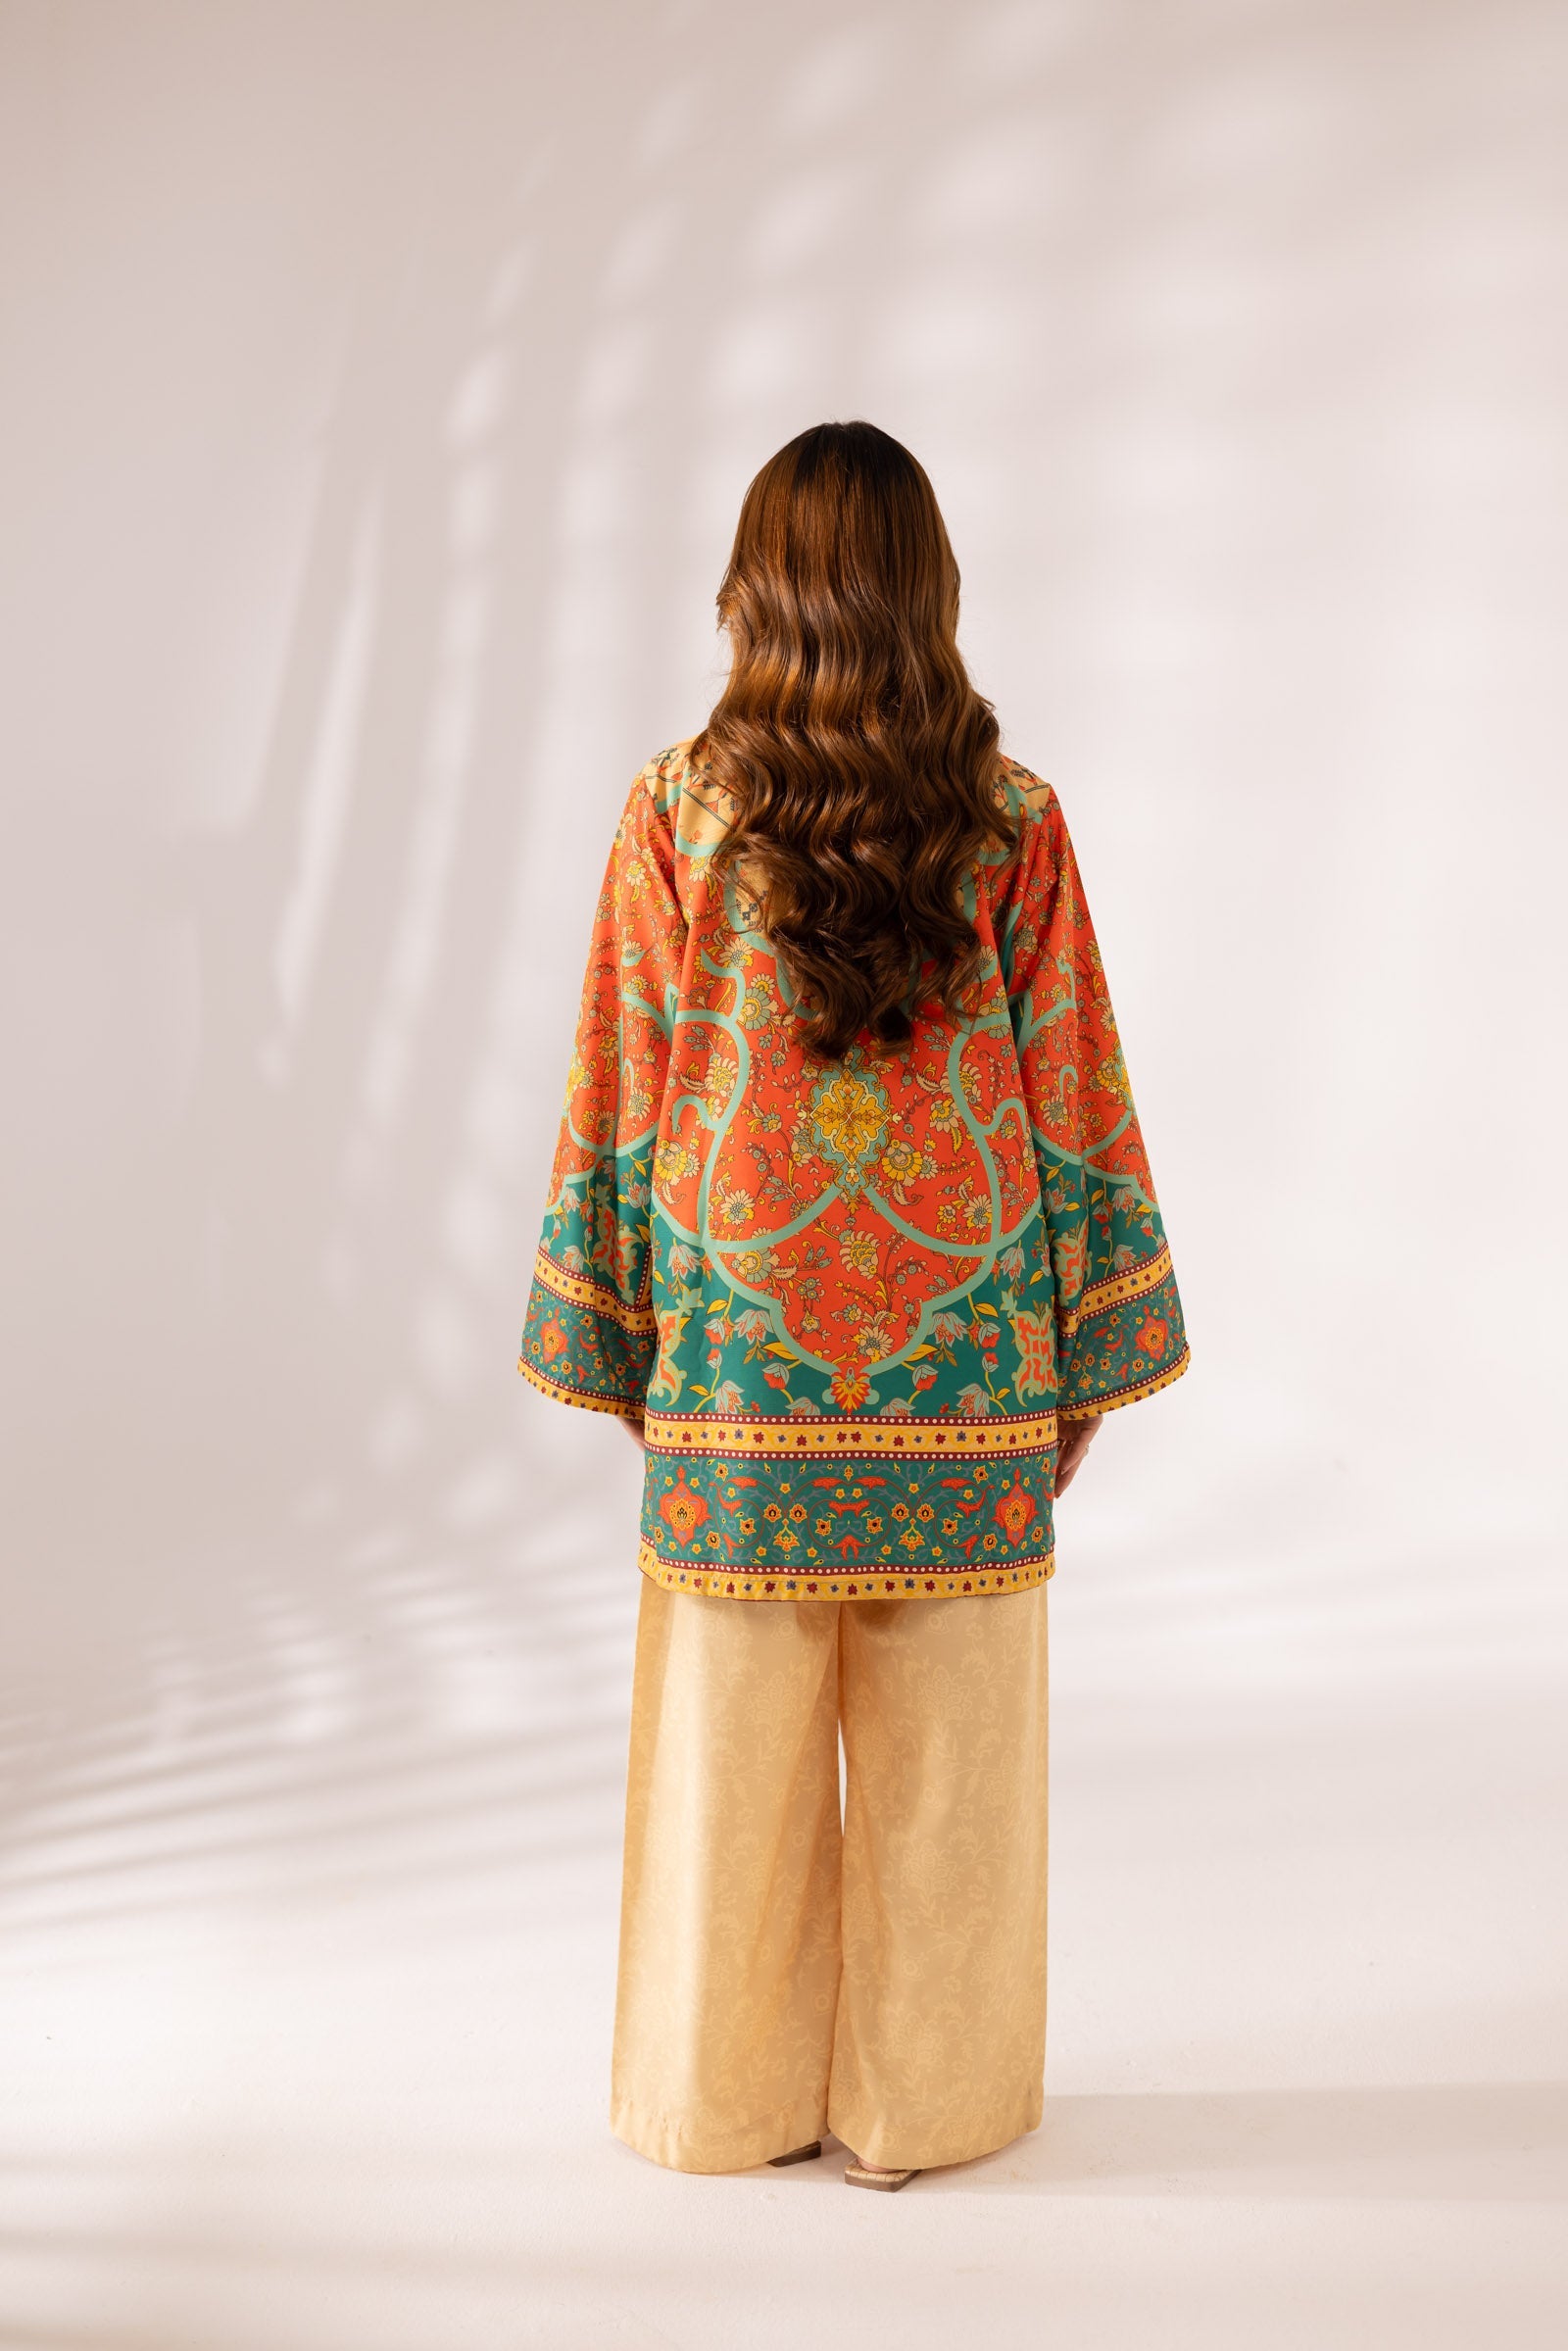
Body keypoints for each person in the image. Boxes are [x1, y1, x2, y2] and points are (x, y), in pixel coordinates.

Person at [517, 420, 1189, 2189]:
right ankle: (924, 2114)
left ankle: (721, 2104)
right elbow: (1072, 1090)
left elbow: (623, 1080)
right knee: (955, 1766)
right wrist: (1083, 1361)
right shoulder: (1013, 821)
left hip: (736, 1353)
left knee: (721, 1759)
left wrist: (623, 1335)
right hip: (967, 1348)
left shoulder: (675, 811)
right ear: (928, 587)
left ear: (755, 588)